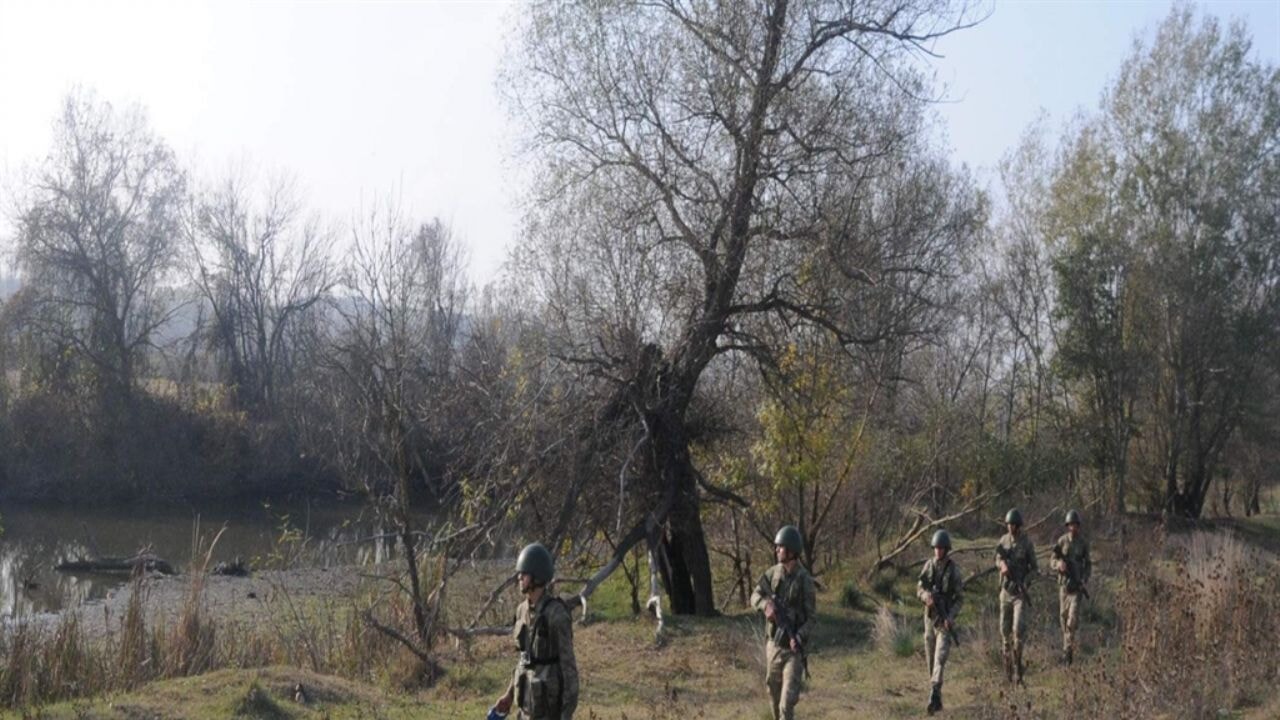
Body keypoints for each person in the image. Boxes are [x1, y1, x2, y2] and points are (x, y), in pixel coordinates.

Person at [492, 543, 579, 720]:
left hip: (549, 712)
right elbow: (524, 659)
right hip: (525, 709)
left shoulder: (557, 614)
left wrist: (566, 714)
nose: (519, 578)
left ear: (537, 577)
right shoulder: (521, 611)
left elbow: (569, 668)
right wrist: (509, 695)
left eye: (523, 574)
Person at [750, 525, 816, 720]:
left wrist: (799, 636)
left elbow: (812, 618)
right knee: (773, 694)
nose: (777, 550)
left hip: (794, 650)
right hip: (774, 646)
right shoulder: (772, 573)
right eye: (777, 547)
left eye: (781, 547)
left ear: (792, 551)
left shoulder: (805, 581)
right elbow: (755, 595)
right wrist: (764, 606)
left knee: (786, 704)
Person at [917, 529, 963, 715]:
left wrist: (951, 616)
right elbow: (918, 587)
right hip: (930, 618)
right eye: (935, 548)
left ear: (946, 549)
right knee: (930, 659)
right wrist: (925, 596)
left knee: (940, 657)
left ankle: (934, 692)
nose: (938, 551)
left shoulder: (953, 570)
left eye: (941, 548)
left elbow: (960, 598)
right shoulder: (928, 566)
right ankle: (936, 696)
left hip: (944, 621)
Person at [995, 508, 1037, 685]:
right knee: (1005, 633)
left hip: (1020, 593)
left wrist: (1025, 583)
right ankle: (1007, 671)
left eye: (1014, 524)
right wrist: (1001, 565)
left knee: (1018, 631)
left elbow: (1034, 568)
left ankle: (1018, 668)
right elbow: (996, 558)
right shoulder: (1003, 541)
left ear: (1019, 526)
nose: (1011, 527)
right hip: (1005, 592)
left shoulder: (1027, 543)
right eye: (1009, 524)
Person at [1053, 509, 1092, 665]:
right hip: (1063, 587)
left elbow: (1088, 564)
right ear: (1067, 526)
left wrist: (1084, 579)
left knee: (1072, 620)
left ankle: (1067, 652)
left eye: (1075, 525)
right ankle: (1066, 647)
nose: (1073, 528)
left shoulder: (1083, 543)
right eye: (1070, 525)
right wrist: (1058, 565)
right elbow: (1052, 559)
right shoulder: (1062, 541)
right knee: (1063, 619)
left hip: (1076, 588)